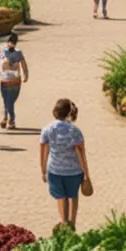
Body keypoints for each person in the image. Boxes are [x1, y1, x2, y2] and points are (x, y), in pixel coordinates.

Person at [39, 98, 91, 229]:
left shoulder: (47, 130)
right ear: (69, 113)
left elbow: (43, 151)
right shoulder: (75, 131)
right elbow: (81, 154)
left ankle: (63, 222)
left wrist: (43, 170)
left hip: (55, 170)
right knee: (73, 195)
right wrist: (86, 174)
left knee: (61, 197)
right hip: (74, 171)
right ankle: (72, 223)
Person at [0, 32, 28, 130]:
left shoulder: (18, 52)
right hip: (6, 80)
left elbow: (23, 64)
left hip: (14, 80)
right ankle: (9, 119)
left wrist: (26, 75)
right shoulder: (4, 51)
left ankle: (7, 118)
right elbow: (0, 65)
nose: (10, 43)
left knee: (10, 101)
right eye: (9, 41)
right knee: (8, 101)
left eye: (11, 42)